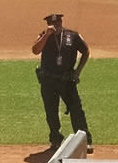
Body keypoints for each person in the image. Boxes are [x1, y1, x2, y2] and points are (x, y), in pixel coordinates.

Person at [32, 13, 91, 149]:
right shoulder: (43, 36)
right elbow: (35, 50)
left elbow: (86, 51)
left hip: (67, 80)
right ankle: (55, 140)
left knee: (76, 109)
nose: (55, 26)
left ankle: (85, 141)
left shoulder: (73, 36)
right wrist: (46, 35)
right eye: (52, 24)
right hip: (48, 80)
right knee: (51, 111)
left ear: (61, 22)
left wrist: (78, 71)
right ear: (48, 24)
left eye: (58, 23)